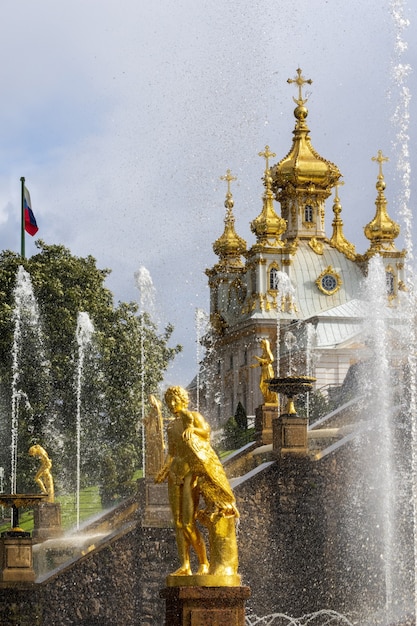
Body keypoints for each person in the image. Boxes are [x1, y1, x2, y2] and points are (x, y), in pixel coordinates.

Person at [155, 385, 239, 578]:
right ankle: (185, 564)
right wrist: (164, 469)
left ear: (183, 399)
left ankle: (203, 562)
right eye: (168, 401)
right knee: (176, 523)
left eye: (174, 400)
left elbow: (207, 433)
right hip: (174, 473)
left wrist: (192, 428)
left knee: (187, 522)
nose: (171, 404)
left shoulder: (193, 416)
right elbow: (172, 452)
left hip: (190, 474)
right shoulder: (171, 426)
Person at [251, 338, 278, 404]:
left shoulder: (268, 352)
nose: (260, 345)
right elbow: (262, 363)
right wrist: (255, 365)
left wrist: (257, 358)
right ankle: (267, 399)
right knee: (262, 385)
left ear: (265, 344)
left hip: (268, 370)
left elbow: (271, 359)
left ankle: (272, 400)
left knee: (269, 384)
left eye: (261, 343)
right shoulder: (264, 353)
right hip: (264, 370)